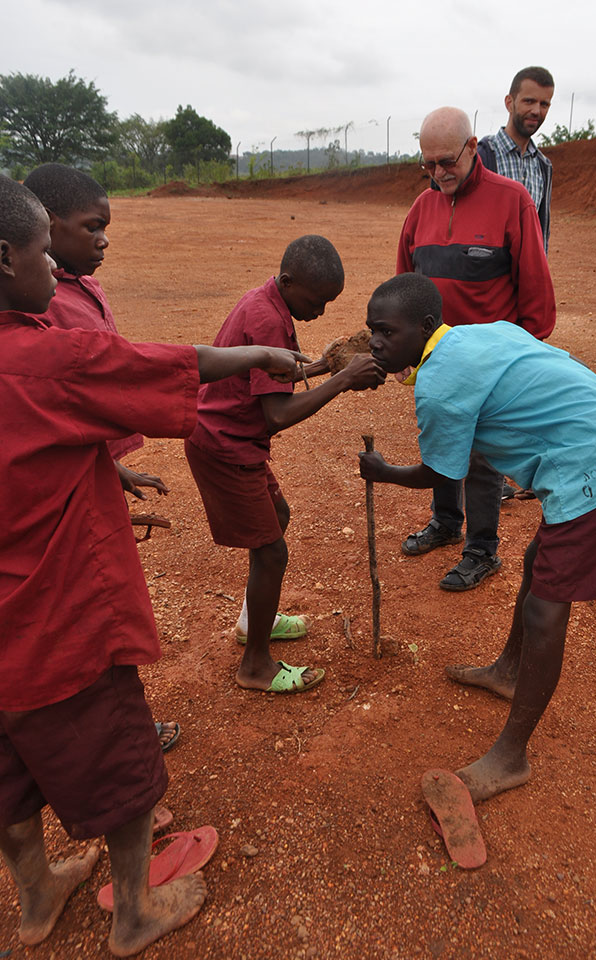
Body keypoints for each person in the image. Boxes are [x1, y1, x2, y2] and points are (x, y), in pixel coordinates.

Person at [0, 173, 308, 954]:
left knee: (7, 780)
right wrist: (258, 355)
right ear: (7, 258)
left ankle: (37, 899)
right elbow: (156, 365)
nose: (57, 272)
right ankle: (135, 910)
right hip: (57, 621)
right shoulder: (41, 359)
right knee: (120, 767)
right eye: (43, 254)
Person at [359, 273, 596, 802]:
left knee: (548, 607)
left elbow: (442, 473)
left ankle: (511, 754)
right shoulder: (475, 336)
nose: (376, 343)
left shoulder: (439, 387)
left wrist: (383, 471)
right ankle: (507, 671)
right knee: (534, 559)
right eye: (371, 332)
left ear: (426, 327)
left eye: (387, 332)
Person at [185, 235, 386, 694]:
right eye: (316, 301)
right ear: (290, 281)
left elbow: (268, 379)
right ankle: (254, 665)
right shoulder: (268, 319)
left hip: (232, 438)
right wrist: (342, 380)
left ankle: (251, 622)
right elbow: (275, 414)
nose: (319, 312)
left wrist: (319, 369)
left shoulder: (268, 301)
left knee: (277, 517)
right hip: (224, 445)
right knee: (272, 550)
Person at [24, 163, 178, 753]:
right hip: (64, 513)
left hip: (88, 481)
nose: (104, 239)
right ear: (47, 226)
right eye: (93, 227)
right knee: (96, 623)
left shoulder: (78, 287)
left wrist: (111, 470)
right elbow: (97, 390)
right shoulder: (46, 307)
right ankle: (121, 748)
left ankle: (122, 736)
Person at [397, 106, 555, 592]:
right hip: (436, 359)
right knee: (441, 441)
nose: (438, 173)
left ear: (472, 148)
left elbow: (535, 291)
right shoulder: (421, 209)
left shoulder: (513, 201)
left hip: (490, 366)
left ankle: (482, 549)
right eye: (428, 164)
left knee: (482, 459)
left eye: (447, 161)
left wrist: (520, 360)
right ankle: (446, 522)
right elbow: (405, 284)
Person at [477, 66, 555, 253]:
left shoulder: (543, 166)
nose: (536, 111)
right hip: (486, 276)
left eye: (544, 104)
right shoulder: (481, 157)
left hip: (525, 276)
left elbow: (541, 231)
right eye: (529, 101)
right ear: (509, 103)